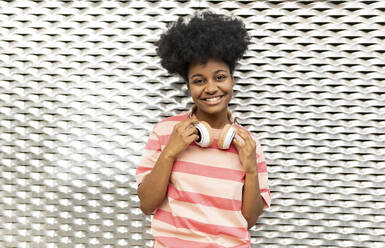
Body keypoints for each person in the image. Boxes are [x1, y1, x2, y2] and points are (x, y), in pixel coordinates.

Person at [136, 11, 271, 248]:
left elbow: (248, 220)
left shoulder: (248, 143)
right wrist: (170, 152)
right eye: (199, 81)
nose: (211, 88)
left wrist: (250, 168)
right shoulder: (165, 132)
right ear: (188, 86)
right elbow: (147, 204)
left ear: (232, 80)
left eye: (220, 77)